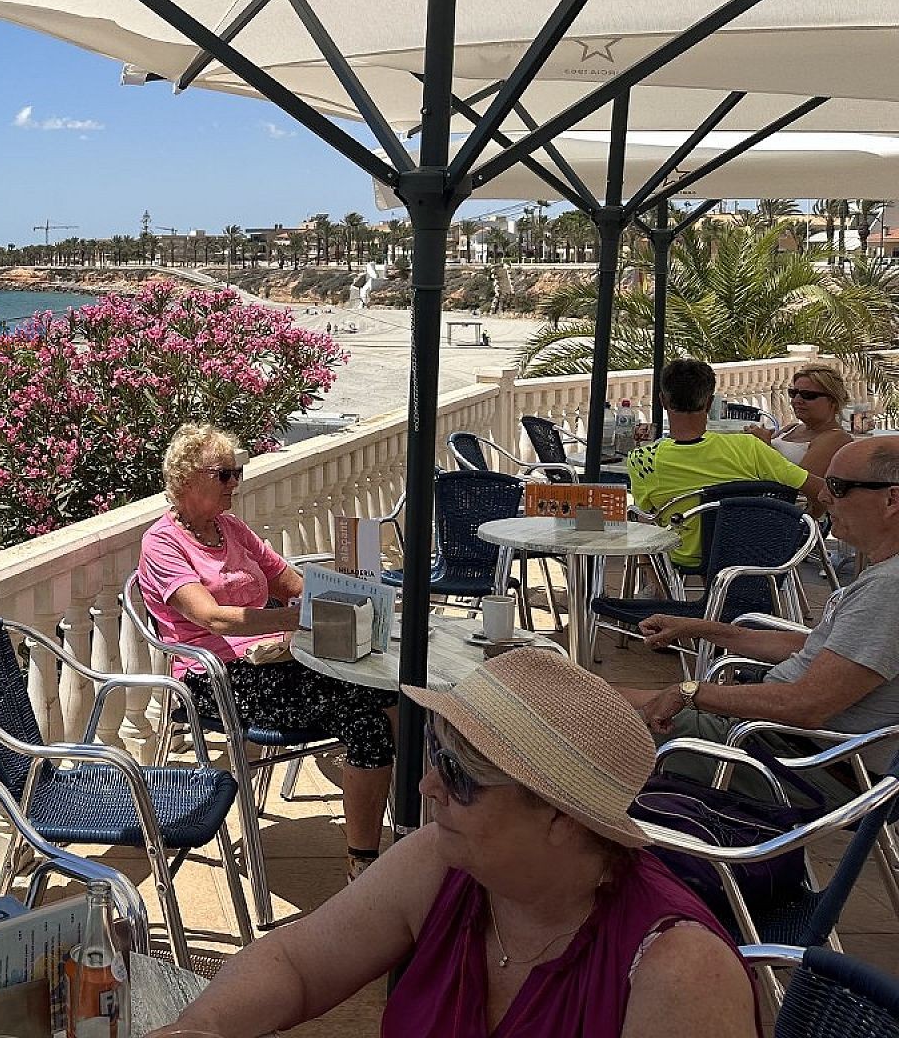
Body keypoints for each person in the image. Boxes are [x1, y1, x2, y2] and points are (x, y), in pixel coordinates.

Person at [150, 649, 757, 1038]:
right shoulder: (443, 864)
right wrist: (201, 1028)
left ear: (561, 818)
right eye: (436, 753)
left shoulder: (680, 974)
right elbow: (298, 963)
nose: (427, 785)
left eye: (460, 775)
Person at [138, 423, 394, 880]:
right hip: (213, 678)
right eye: (224, 474)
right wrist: (290, 620)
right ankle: (364, 862)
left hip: (271, 660)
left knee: (390, 692)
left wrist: (353, 592)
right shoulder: (161, 543)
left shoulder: (231, 528)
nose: (235, 482)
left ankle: (407, 821)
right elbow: (213, 618)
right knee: (365, 716)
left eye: (237, 472)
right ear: (186, 478)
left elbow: (289, 581)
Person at [621, 435, 899, 799]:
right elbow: (820, 649)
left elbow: (807, 706)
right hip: (777, 739)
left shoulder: (888, 588)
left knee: (579, 722)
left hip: (789, 760)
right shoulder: (885, 578)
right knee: (590, 696)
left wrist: (692, 693)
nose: (823, 495)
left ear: (891, 500)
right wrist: (703, 628)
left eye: (837, 486)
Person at [627, 358, 826, 569]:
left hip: (683, 556)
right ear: (710, 403)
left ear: (662, 401)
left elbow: (645, 518)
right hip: (753, 556)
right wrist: (800, 526)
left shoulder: (643, 460)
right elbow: (821, 490)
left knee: (639, 521)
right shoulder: (750, 447)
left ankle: (658, 586)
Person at [746, 362, 854, 481]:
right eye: (793, 393)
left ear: (833, 401)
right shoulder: (792, 428)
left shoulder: (836, 438)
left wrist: (765, 446)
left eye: (807, 395)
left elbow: (802, 482)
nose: (796, 400)